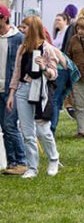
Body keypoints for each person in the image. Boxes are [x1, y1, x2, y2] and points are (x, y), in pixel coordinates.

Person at [5, 16, 64, 178]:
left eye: (25, 27)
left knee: (43, 129)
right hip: (22, 90)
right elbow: (16, 72)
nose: (22, 30)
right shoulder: (22, 48)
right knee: (27, 131)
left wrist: (44, 67)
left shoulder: (47, 48)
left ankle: (53, 157)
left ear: (34, 29)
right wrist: (12, 93)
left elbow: (54, 74)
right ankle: (32, 166)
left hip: (40, 91)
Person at [0, 5, 27, 175]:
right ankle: (12, 162)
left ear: (3, 19)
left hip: (13, 90)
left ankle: (21, 160)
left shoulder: (18, 38)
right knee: (4, 126)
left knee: (10, 125)